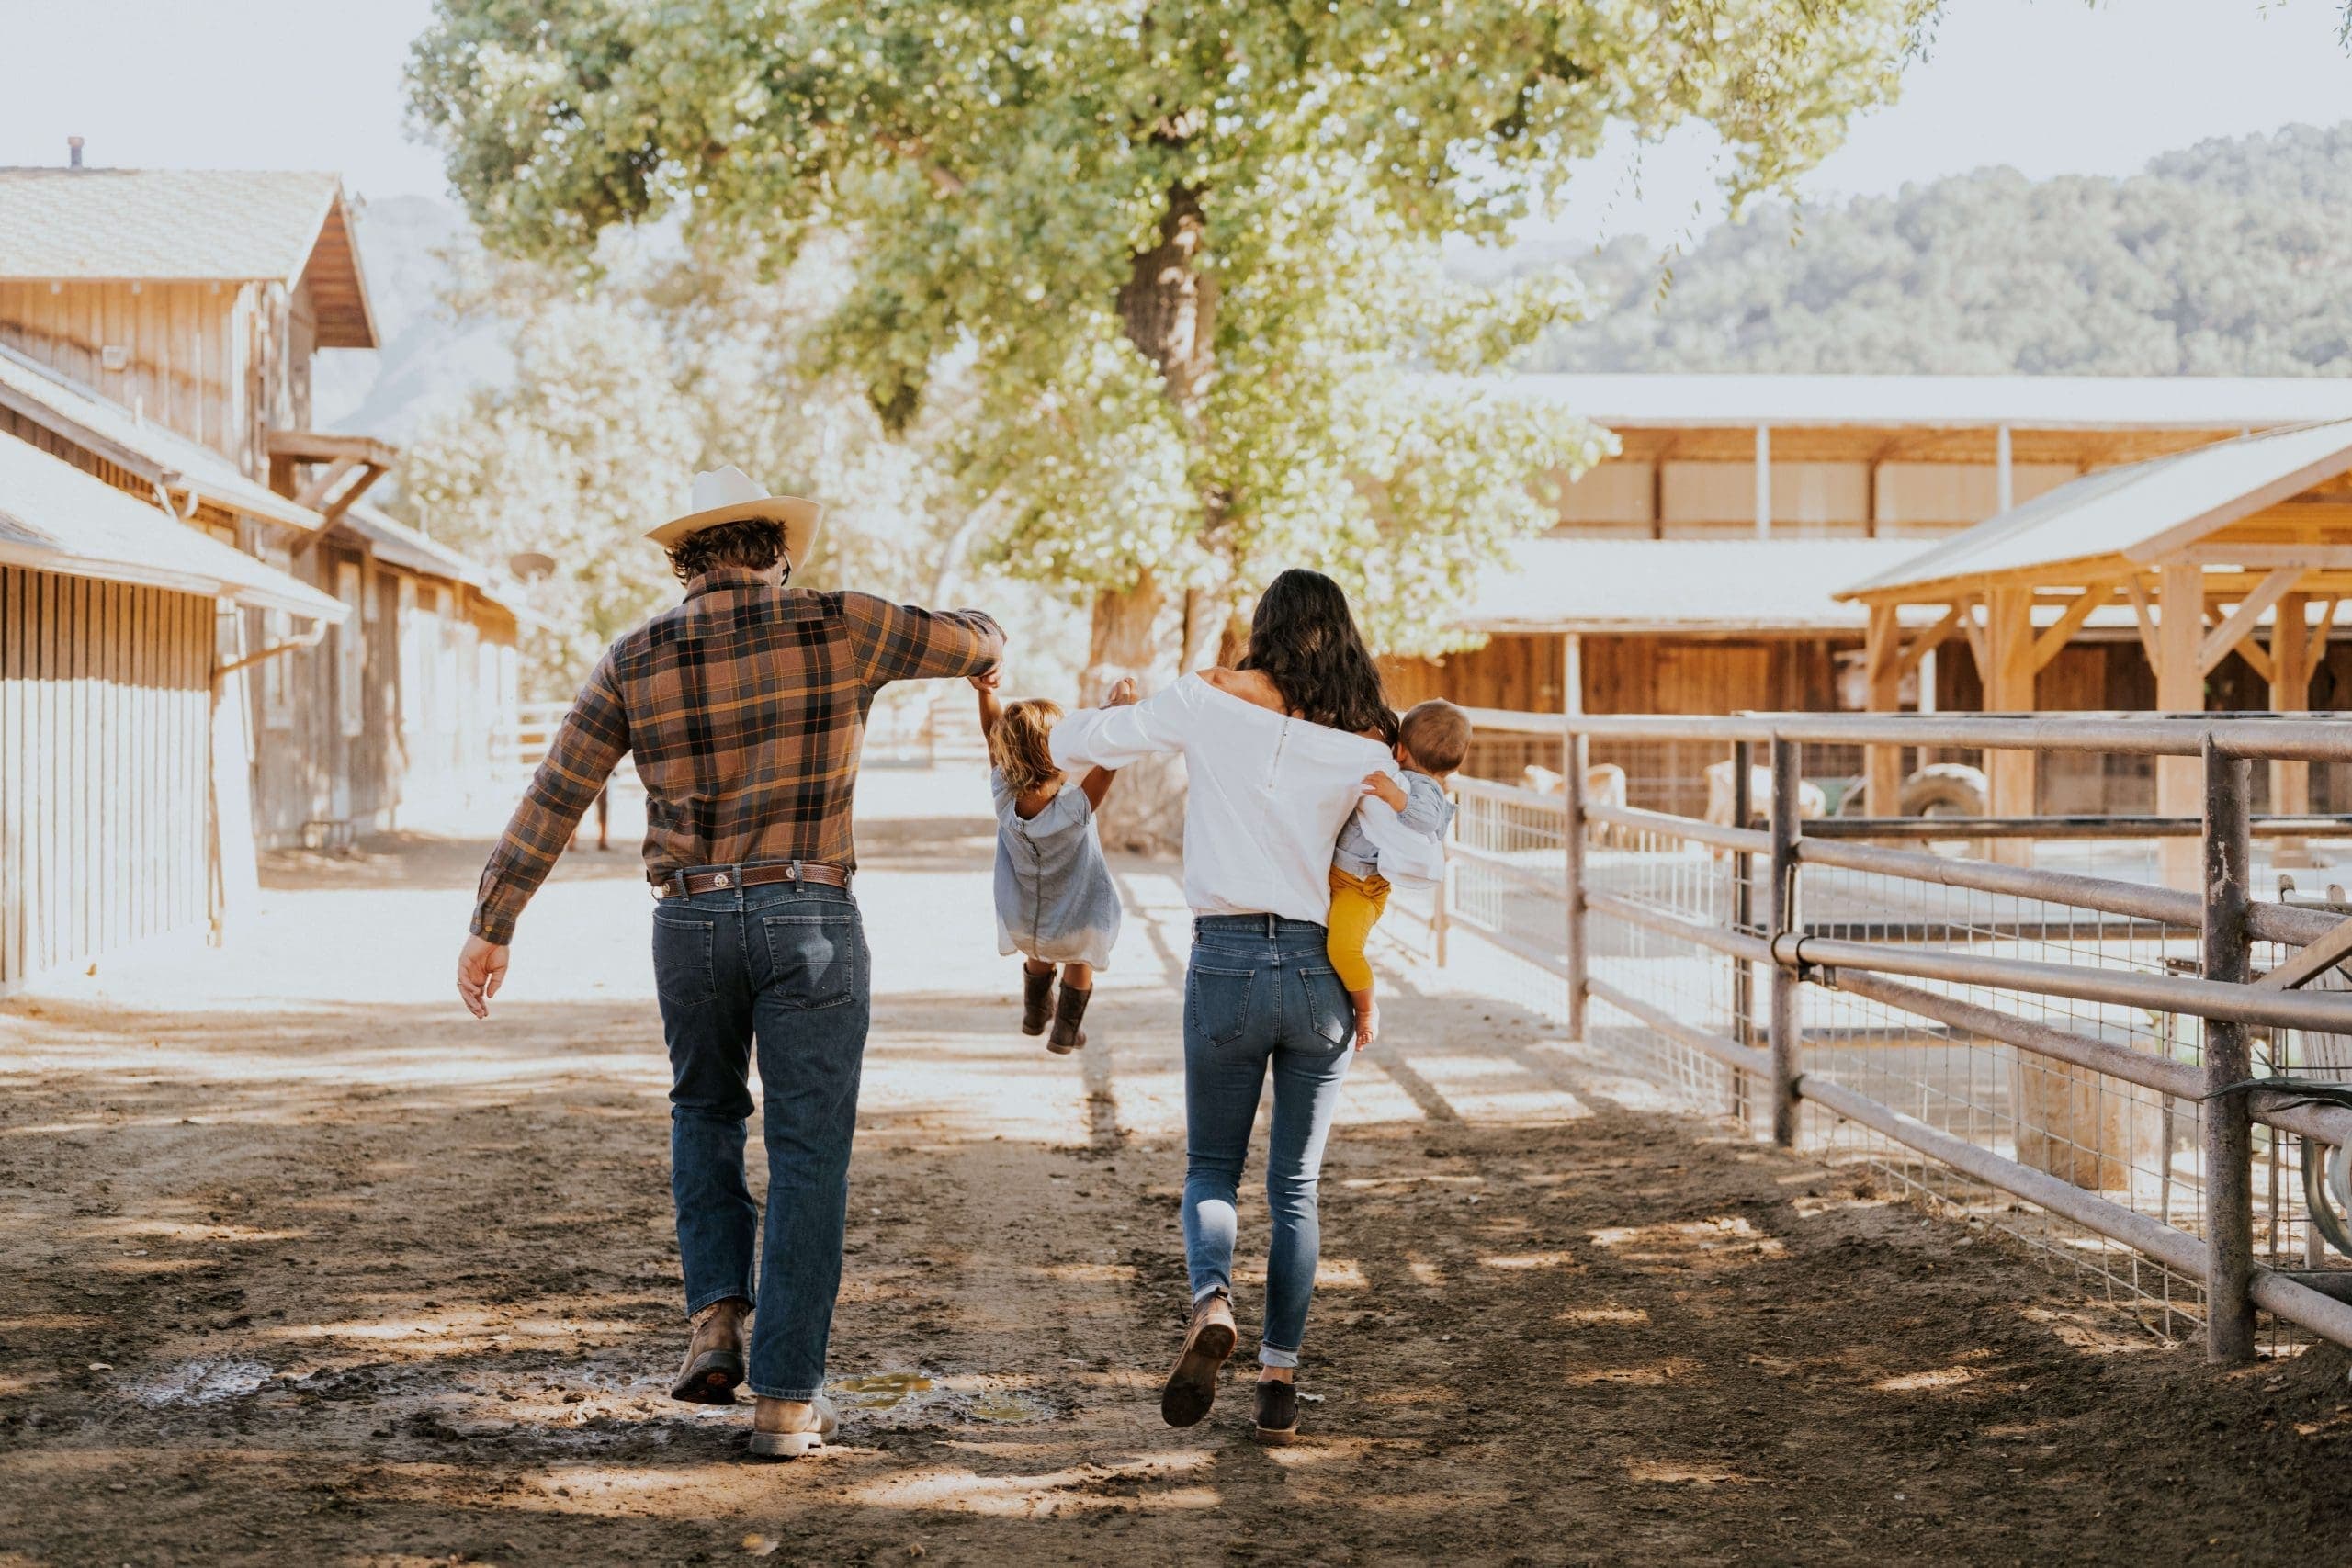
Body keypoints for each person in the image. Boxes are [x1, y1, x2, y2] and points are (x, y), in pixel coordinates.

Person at [453, 465, 1002, 1460]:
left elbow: (555, 792)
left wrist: (494, 920)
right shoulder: (844, 623)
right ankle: (786, 1402)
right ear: (777, 551)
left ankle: (716, 1314)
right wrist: (980, 646)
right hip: (811, 917)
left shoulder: (636, 655)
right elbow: (978, 638)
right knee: (807, 1154)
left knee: (704, 1111)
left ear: (682, 562)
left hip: (691, 923)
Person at [1048, 568, 1441, 1445]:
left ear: (1261, 629)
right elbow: (1413, 861)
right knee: (1296, 1187)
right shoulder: (1369, 742)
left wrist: (1052, 724)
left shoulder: (1206, 699)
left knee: (1211, 1169)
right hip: (1317, 975)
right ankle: (1277, 1386)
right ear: (1342, 636)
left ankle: (1212, 1296)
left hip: (1224, 960)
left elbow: (1095, 737)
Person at [973, 672, 1136, 1053]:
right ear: (1057, 751)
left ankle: (1034, 1012)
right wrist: (1121, 712)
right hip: (1079, 919)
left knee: (1041, 949)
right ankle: (1065, 1030)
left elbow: (989, 731)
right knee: (1079, 961)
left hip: (1027, 918)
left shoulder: (1002, 795)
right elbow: (1109, 760)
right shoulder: (1076, 808)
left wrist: (986, 691)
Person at [1326, 699, 1470, 1045]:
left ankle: (1365, 1008)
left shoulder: (1423, 789)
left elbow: (1427, 820)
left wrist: (1395, 797)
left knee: (1343, 950)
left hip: (1360, 887)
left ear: (1400, 750)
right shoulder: (1404, 778)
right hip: (1343, 874)